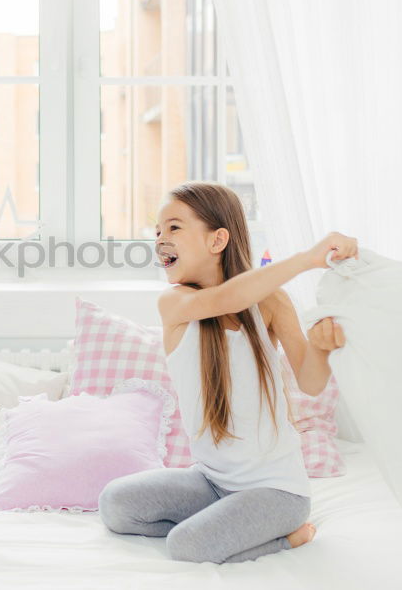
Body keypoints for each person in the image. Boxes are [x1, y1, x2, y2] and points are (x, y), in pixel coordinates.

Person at [98, 181, 355, 564]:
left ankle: (288, 537)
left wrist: (321, 348)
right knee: (116, 504)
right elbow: (226, 299)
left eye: (174, 228)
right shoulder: (175, 303)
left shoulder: (270, 301)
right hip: (214, 482)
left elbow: (311, 382)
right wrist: (305, 259)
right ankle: (227, 526)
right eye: (157, 231)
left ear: (217, 240)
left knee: (186, 545)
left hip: (278, 492)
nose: (161, 240)